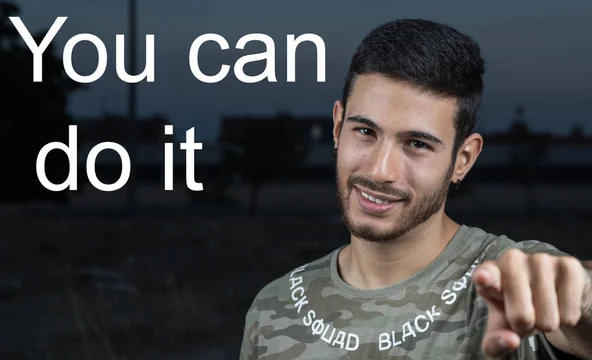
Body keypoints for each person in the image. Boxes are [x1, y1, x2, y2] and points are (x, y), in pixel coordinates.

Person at [238, 19, 592, 359]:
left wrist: (583, 296)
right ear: (337, 126)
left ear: (463, 159)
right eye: (365, 132)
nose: (380, 171)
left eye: (417, 144)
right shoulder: (273, 308)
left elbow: (573, 303)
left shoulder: (509, 282)